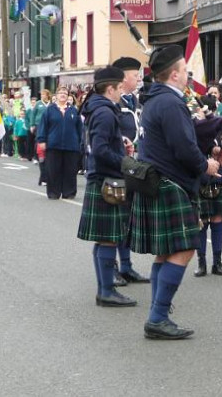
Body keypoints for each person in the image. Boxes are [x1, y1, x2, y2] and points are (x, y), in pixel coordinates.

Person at [126, 45, 222, 340]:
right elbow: (183, 147)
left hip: (160, 181)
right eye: (185, 70)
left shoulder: (157, 100)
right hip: (172, 183)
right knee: (185, 247)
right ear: (175, 74)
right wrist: (206, 165)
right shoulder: (169, 103)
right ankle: (157, 316)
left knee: (165, 252)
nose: (188, 75)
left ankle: (159, 312)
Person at [77, 66, 137, 307]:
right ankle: (106, 291)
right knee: (108, 239)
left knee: (104, 238)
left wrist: (120, 144)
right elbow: (100, 150)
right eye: (120, 87)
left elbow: (101, 144)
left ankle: (106, 288)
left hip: (102, 178)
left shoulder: (99, 109)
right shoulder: (104, 112)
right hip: (106, 179)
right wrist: (124, 161)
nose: (122, 92)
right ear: (110, 88)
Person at [110, 56, 149, 286]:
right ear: (124, 78)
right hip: (117, 166)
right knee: (115, 221)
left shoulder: (134, 101)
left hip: (133, 166)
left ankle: (126, 266)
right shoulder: (112, 103)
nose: (139, 79)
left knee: (128, 220)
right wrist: (122, 141)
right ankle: (112, 268)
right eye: (135, 75)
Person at [193, 106, 222, 277]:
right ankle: (201, 262)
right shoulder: (193, 127)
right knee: (202, 221)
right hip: (201, 176)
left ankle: (217, 262)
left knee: (217, 218)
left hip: (219, 177)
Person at [37, 85, 83, 199]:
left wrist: (81, 142)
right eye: (60, 93)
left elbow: (80, 128)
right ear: (56, 96)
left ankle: (69, 192)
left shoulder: (73, 110)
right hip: (53, 145)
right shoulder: (50, 110)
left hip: (71, 145)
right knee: (53, 170)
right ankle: (53, 192)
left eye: (65, 93)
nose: (63, 95)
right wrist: (42, 140)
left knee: (70, 170)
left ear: (68, 96)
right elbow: (43, 126)